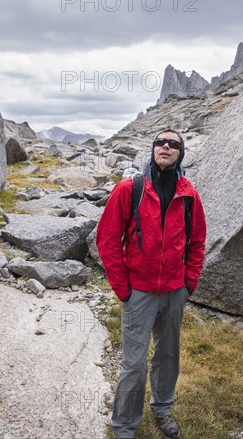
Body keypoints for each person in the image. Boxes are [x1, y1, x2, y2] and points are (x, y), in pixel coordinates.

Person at [96, 129, 207, 439]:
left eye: (173, 144)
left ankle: (162, 410)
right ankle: (124, 426)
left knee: (167, 356)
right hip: (139, 293)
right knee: (134, 364)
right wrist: (123, 289)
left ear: (180, 154)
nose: (166, 147)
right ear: (153, 149)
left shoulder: (189, 194)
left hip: (174, 292)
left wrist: (188, 284)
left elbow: (197, 240)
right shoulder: (130, 189)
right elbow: (107, 239)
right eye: (160, 142)